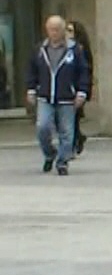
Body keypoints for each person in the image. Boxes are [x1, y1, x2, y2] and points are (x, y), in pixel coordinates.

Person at [25, 15, 90, 175]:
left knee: (67, 132)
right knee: (43, 127)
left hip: (67, 97)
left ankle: (62, 162)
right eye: (50, 29)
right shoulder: (40, 50)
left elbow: (83, 72)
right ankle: (50, 154)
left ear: (63, 31)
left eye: (57, 29)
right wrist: (31, 89)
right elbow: (32, 70)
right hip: (45, 96)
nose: (54, 33)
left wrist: (82, 92)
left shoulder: (75, 50)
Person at [68, 20, 94, 155]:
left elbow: (86, 70)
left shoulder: (80, 49)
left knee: (73, 118)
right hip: (67, 87)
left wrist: (84, 90)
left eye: (70, 31)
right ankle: (78, 138)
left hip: (78, 88)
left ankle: (74, 142)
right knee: (71, 119)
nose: (68, 34)